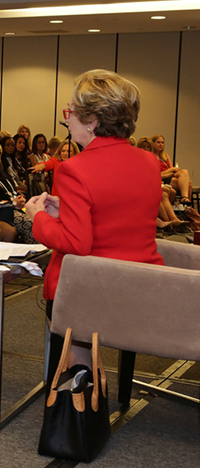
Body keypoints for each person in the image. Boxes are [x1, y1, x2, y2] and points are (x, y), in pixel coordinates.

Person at [25, 70, 163, 381]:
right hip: (142, 285)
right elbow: (120, 214)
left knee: (63, 290)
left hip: (92, 289)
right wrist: (68, 209)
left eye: (71, 111)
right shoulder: (149, 162)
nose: (67, 119)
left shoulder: (74, 169)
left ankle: (80, 377)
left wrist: (39, 217)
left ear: (92, 121)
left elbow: (76, 243)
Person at [151, 134, 192, 205]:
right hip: (162, 178)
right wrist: (170, 171)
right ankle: (186, 205)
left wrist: (171, 170)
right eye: (158, 142)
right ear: (153, 143)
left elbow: (172, 169)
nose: (161, 144)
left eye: (162, 143)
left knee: (184, 172)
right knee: (189, 183)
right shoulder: (151, 156)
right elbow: (158, 173)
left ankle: (185, 198)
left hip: (170, 175)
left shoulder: (165, 155)